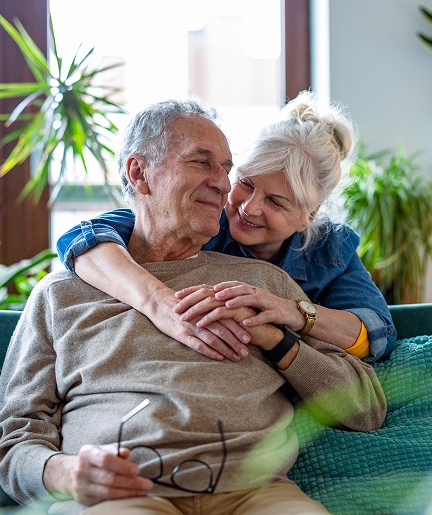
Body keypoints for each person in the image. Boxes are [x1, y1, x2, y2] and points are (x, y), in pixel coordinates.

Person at [0, 100, 386, 515]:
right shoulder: (64, 291)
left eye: (227, 168)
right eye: (202, 163)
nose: (225, 186)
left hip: (259, 496)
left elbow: (366, 403)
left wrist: (282, 340)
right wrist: (66, 473)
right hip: (125, 500)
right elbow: (15, 434)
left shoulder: (264, 284)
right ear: (139, 174)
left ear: (307, 216)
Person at [56, 91, 396, 366]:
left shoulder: (330, 248)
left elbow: (377, 333)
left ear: (310, 214)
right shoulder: (202, 220)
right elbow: (83, 240)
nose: (249, 207)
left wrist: (292, 310)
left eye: (276, 202)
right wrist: (160, 304)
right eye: (245, 184)